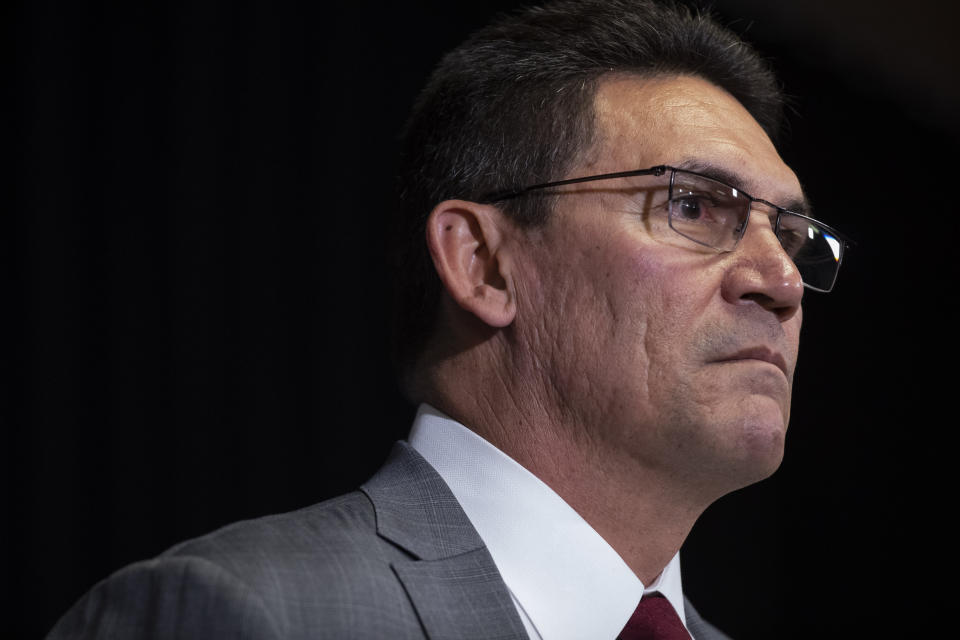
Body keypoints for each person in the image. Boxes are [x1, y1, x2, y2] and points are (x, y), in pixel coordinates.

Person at [47, 0, 848, 638]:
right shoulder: (245, 616)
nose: (780, 280)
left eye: (789, 234)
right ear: (483, 263)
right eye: (692, 206)